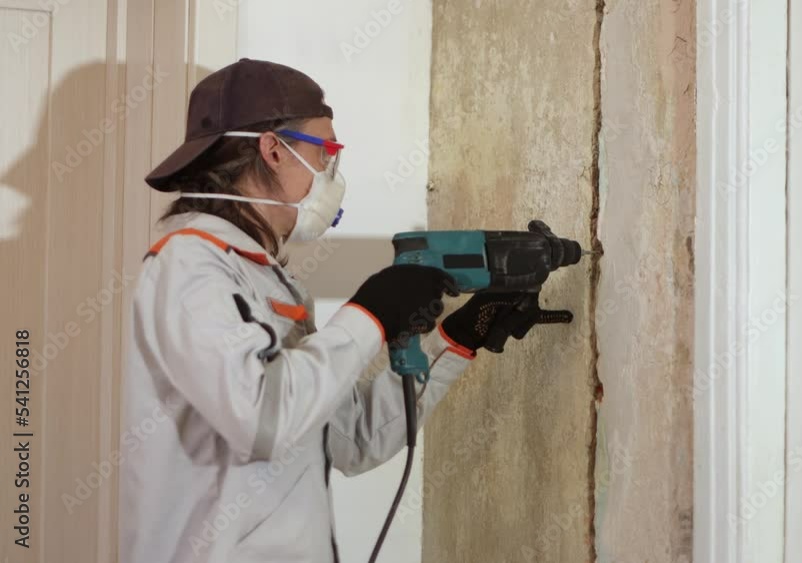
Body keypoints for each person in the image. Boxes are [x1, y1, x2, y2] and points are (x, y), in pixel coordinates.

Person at [118, 58, 572, 563]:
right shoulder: (189, 265)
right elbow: (263, 420)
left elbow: (352, 438)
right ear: (273, 149)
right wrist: (370, 313)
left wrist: (458, 336)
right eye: (327, 151)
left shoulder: (267, 277)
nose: (333, 171)